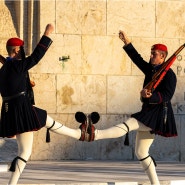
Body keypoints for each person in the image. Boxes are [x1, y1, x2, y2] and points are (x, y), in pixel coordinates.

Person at [0, 24, 92, 185]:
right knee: (25, 152)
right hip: (22, 111)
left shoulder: (5, 68)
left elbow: (11, 84)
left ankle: (78, 134)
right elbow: (36, 57)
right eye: (21, 50)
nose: (23, 52)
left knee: (44, 121)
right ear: (16, 51)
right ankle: (79, 135)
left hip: (11, 111)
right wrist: (47, 34)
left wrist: (26, 83)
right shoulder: (17, 65)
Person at [84, 31, 177, 185]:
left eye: (154, 54)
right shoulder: (152, 70)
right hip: (149, 112)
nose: (151, 56)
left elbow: (167, 96)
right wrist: (127, 42)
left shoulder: (169, 75)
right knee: (141, 152)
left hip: (157, 114)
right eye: (151, 53)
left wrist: (150, 96)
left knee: (128, 124)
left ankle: (96, 134)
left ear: (162, 56)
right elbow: (137, 59)